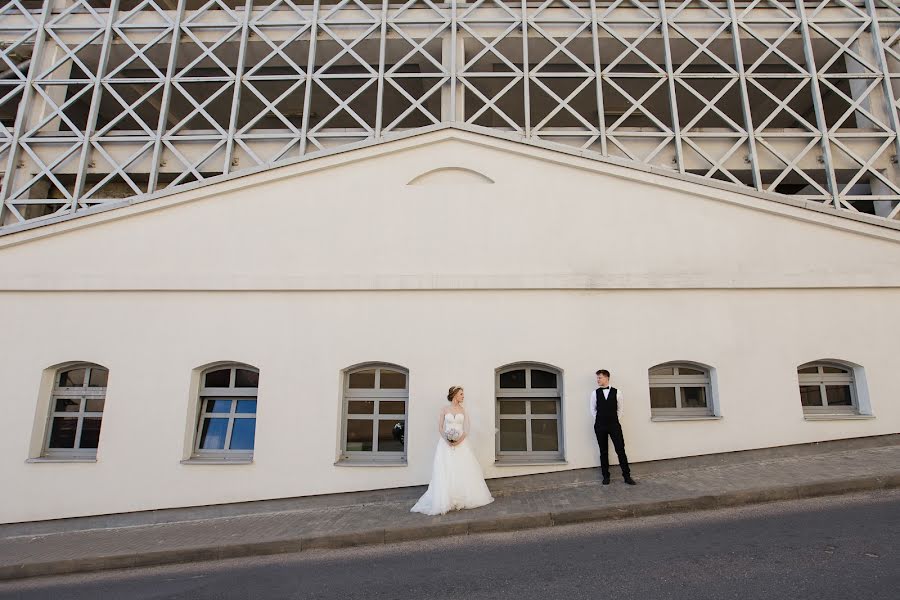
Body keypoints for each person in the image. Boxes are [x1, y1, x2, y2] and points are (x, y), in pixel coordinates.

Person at [411, 386, 495, 515]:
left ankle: (461, 496)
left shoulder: (463, 410)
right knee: (446, 469)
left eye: (463, 394)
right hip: (445, 444)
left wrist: (459, 440)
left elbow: (467, 428)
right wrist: (447, 439)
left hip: (461, 444)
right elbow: (440, 427)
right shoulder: (445, 409)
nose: (463, 396)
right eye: (461, 394)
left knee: (461, 468)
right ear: (455, 395)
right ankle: (446, 498)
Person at [590, 369, 636, 486]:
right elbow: (593, 410)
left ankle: (627, 476)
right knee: (603, 451)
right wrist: (601, 419)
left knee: (620, 450)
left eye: (599, 377)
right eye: (597, 378)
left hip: (614, 424)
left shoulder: (618, 392)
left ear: (606, 378)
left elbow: (620, 409)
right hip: (600, 425)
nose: (598, 380)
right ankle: (605, 476)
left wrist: (613, 419)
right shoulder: (595, 393)